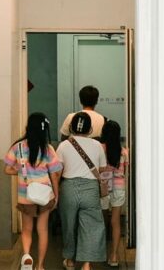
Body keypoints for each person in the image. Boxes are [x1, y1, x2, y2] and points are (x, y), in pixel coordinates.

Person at [53, 95, 112, 268]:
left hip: (69, 188)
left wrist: (56, 193)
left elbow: (57, 172)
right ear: (90, 129)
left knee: (69, 225)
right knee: (92, 226)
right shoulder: (96, 145)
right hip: (90, 189)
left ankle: (70, 260)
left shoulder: (64, 145)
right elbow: (102, 169)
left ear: (72, 127)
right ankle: (86, 264)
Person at [7, 112, 59, 270]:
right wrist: (56, 196)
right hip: (44, 195)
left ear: (28, 127)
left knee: (27, 229)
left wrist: (22, 171)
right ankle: (40, 265)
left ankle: (27, 256)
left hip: (25, 195)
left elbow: (7, 169)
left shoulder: (18, 147)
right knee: (42, 230)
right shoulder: (48, 149)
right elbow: (54, 175)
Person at [97, 119, 128, 267]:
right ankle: (114, 256)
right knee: (115, 222)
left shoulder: (100, 148)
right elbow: (125, 170)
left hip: (104, 186)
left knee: (102, 221)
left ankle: (100, 252)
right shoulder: (124, 151)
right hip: (119, 186)